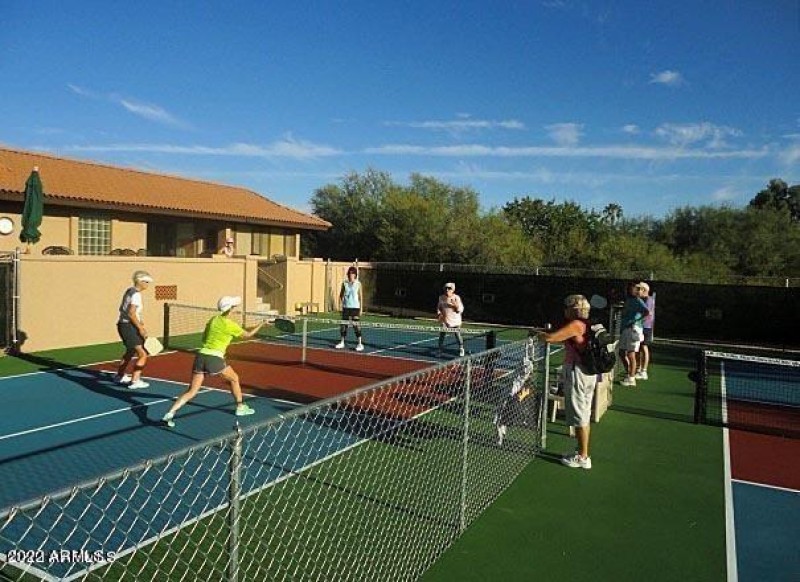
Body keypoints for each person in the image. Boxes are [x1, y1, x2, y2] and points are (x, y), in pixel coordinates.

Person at [162, 296, 266, 427]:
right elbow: (248, 335)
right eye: (234, 306)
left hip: (200, 356)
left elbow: (204, 338)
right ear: (230, 309)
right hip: (214, 358)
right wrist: (262, 323)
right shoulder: (230, 325)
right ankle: (240, 407)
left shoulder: (212, 320)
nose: (235, 308)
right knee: (234, 379)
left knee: (192, 391)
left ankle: (170, 413)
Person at [538, 295, 597, 469]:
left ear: (573, 309)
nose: (564, 310)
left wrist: (539, 334)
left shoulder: (576, 325)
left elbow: (552, 338)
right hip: (586, 372)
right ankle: (581, 451)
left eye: (567, 307)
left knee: (580, 415)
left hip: (578, 372)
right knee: (582, 413)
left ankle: (583, 457)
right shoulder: (587, 323)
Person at [113, 270, 154, 390]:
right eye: (146, 282)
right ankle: (135, 381)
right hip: (128, 326)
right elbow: (131, 313)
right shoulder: (136, 295)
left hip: (123, 325)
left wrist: (139, 321)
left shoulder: (129, 291)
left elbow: (128, 311)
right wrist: (141, 328)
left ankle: (119, 376)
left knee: (130, 351)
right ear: (139, 281)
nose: (147, 284)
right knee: (143, 354)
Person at [619, 282, 650, 387]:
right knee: (621, 353)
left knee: (631, 354)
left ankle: (631, 378)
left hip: (633, 330)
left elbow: (647, 312)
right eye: (632, 288)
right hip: (625, 329)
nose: (634, 290)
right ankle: (629, 374)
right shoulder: (629, 300)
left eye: (636, 288)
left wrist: (636, 321)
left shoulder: (637, 300)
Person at [335, 266, 364, 351]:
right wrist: (340, 306)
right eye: (350, 274)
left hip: (355, 308)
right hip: (346, 307)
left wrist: (361, 309)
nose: (351, 275)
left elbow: (361, 297)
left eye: (353, 274)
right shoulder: (344, 283)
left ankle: (359, 343)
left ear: (355, 275)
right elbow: (340, 295)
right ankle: (342, 342)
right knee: (343, 326)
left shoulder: (358, 284)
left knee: (356, 325)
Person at [437, 282, 465, 357]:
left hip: (456, 321)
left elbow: (461, 310)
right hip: (445, 321)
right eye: (446, 288)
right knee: (442, 335)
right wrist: (439, 315)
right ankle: (440, 350)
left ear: (453, 290)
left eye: (449, 288)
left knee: (457, 335)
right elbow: (439, 307)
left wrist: (456, 306)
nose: (447, 289)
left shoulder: (457, 298)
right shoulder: (441, 297)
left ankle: (461, 348)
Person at [636, 282, 655, 380]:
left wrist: (636, 320)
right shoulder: (643, 299)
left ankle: (644, 371)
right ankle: (639, 369)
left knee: (644, 347)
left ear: (645, 290)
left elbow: (648, 313)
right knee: (639, 348)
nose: (638, 291)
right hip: (641, 327)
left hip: (646, 327)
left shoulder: (648, 300)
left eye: (640, 289)